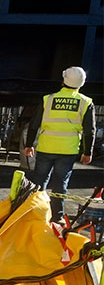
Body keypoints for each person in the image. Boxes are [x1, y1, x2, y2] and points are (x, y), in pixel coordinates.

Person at [23, 66, 96, 223]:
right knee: (60, 184)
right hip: (67, 151)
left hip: (45, 147)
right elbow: (90, 131)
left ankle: (35, 213)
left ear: (63, 80)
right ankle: (57, 217)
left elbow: (34, 124)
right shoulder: (86, 102)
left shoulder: (47, 99)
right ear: (81, 83)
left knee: (39, 182)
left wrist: (29, 145)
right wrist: (87, 152)